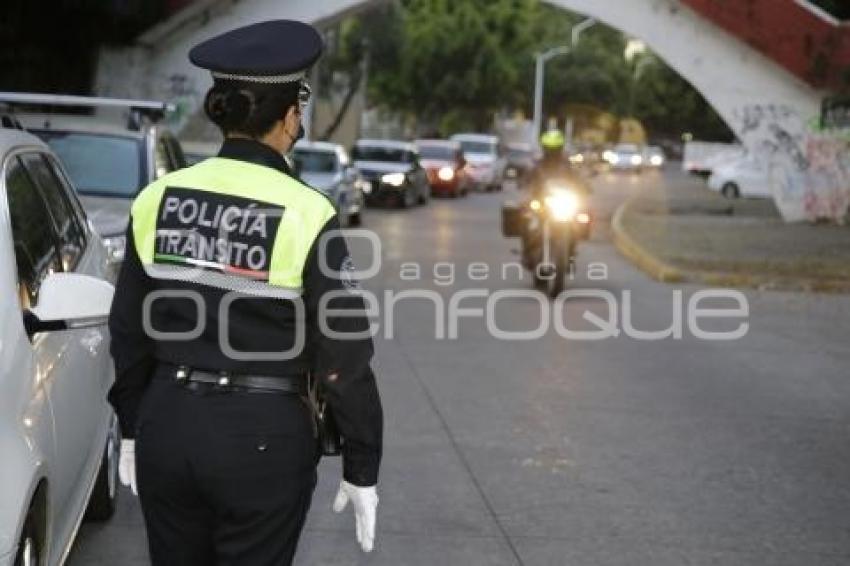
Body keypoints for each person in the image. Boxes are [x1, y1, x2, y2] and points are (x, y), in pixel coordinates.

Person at [107, 20, 383, 566]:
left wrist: (136, 427)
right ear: (288, 118)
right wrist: (361, 463)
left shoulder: (157, 197)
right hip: (263, 440)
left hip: (169, 425)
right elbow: (344, 356)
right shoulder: (307, 212)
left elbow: (128, 332)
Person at [520, 129, 591, 267]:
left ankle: (570, 253)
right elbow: (528, 177)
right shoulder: (538, 164)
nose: (552, 152)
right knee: (526, 220)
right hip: (542, 201)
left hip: (562, 200)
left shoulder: (567, 165)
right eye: (549, 148)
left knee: (578, 222)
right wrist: (524, 183)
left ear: (561, 148)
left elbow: (578, 178)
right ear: (544, 148)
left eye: (555, 148)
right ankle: (527, 252)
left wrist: (585, 187)